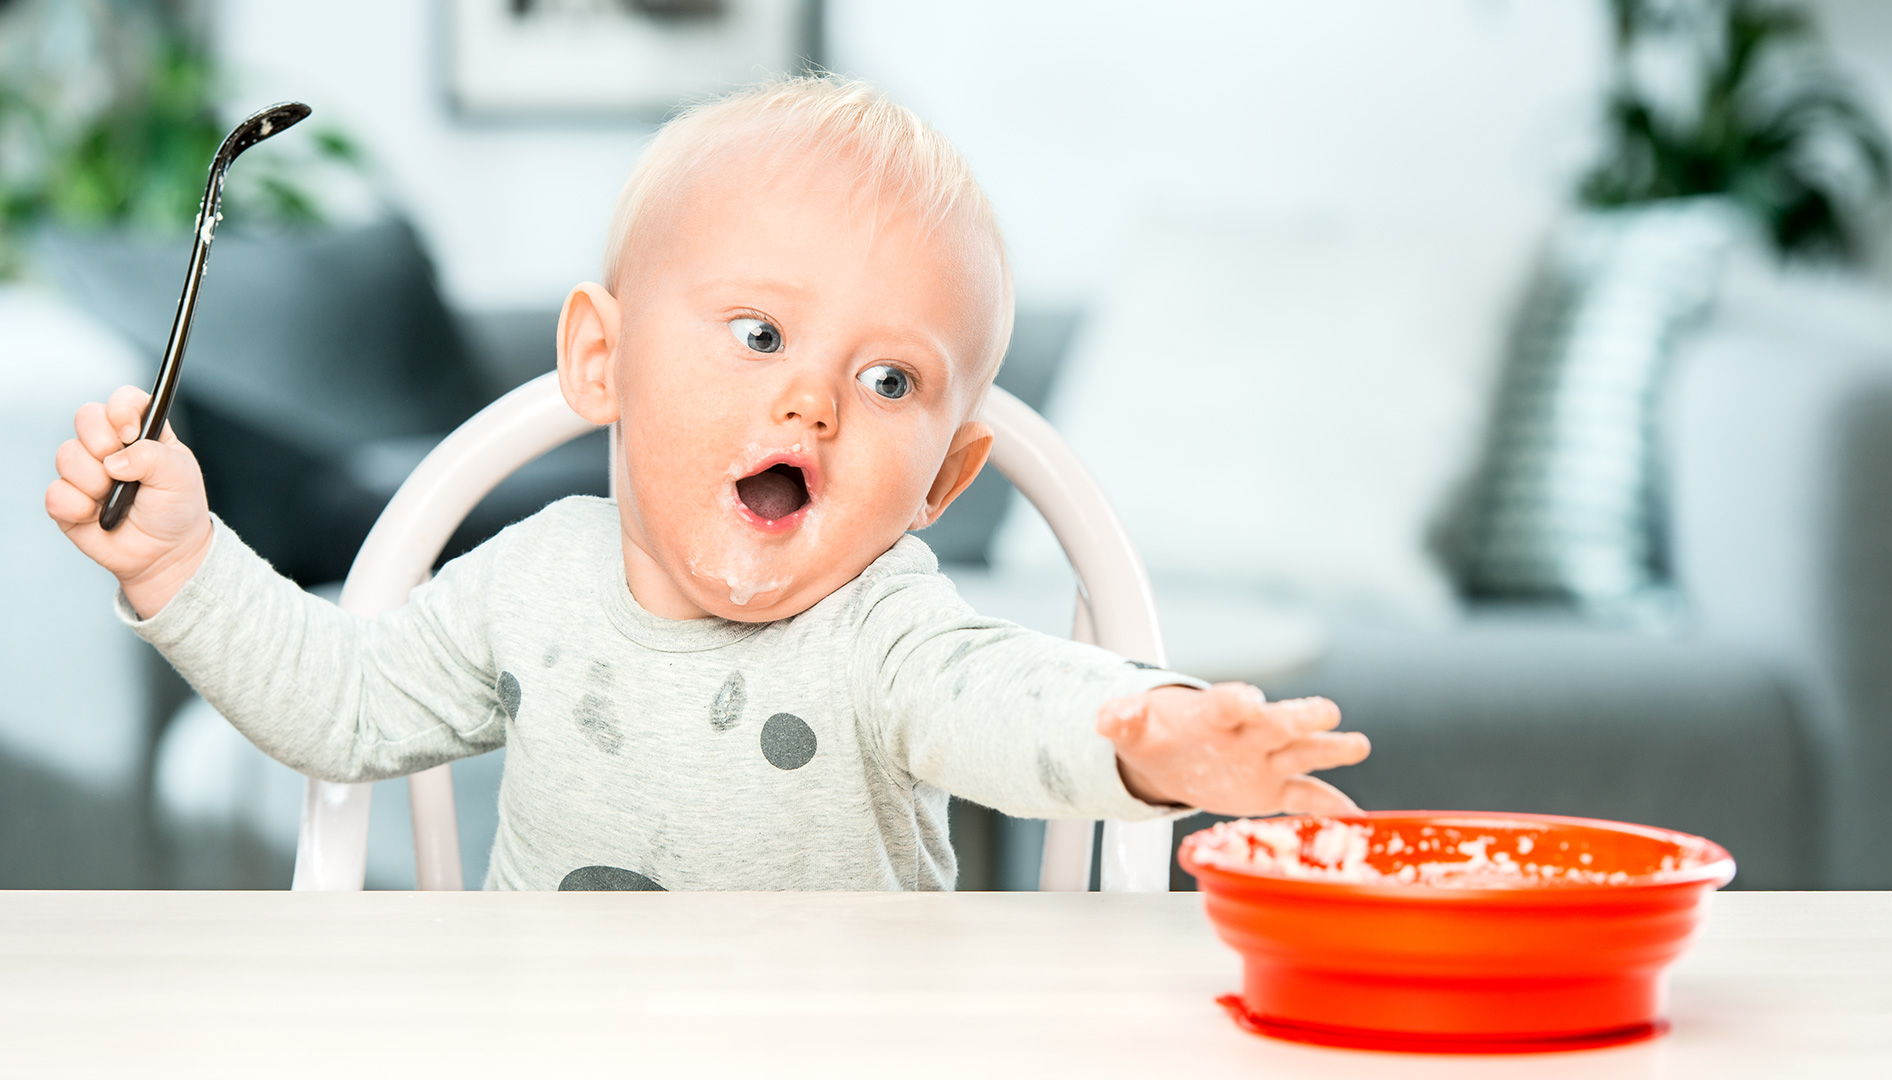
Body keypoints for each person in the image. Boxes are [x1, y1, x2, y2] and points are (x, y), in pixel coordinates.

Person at [46, 74, 1369, 891]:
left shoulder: (887, 626)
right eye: (758, 336)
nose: (811, 400)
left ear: (945, 480)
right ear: (602, 359)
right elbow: (338, 707)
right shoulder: (530, 585)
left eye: (890, 383)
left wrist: (1150, 736)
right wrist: (180, 564)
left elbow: (1016, 699)